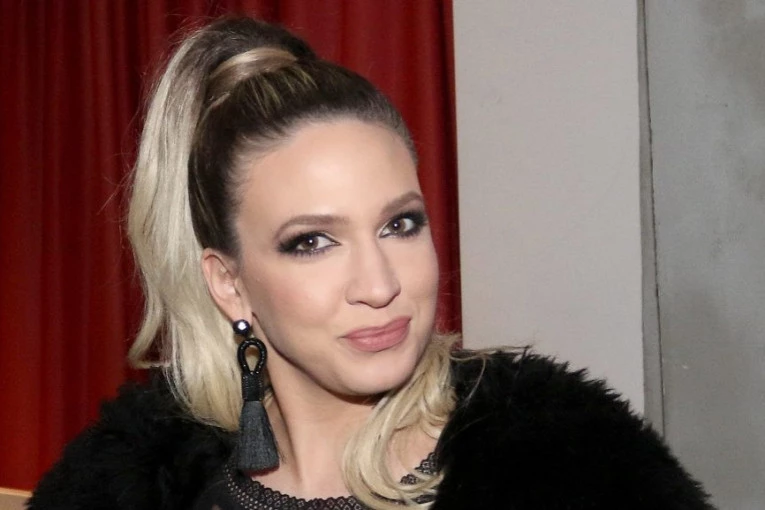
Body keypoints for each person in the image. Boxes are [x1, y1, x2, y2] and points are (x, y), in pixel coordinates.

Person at [28, 17, 714, 510]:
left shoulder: (566, 462)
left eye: (399, 225)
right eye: (312, 242)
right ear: (229, 284)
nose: (380, 284)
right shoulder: (128, 483)